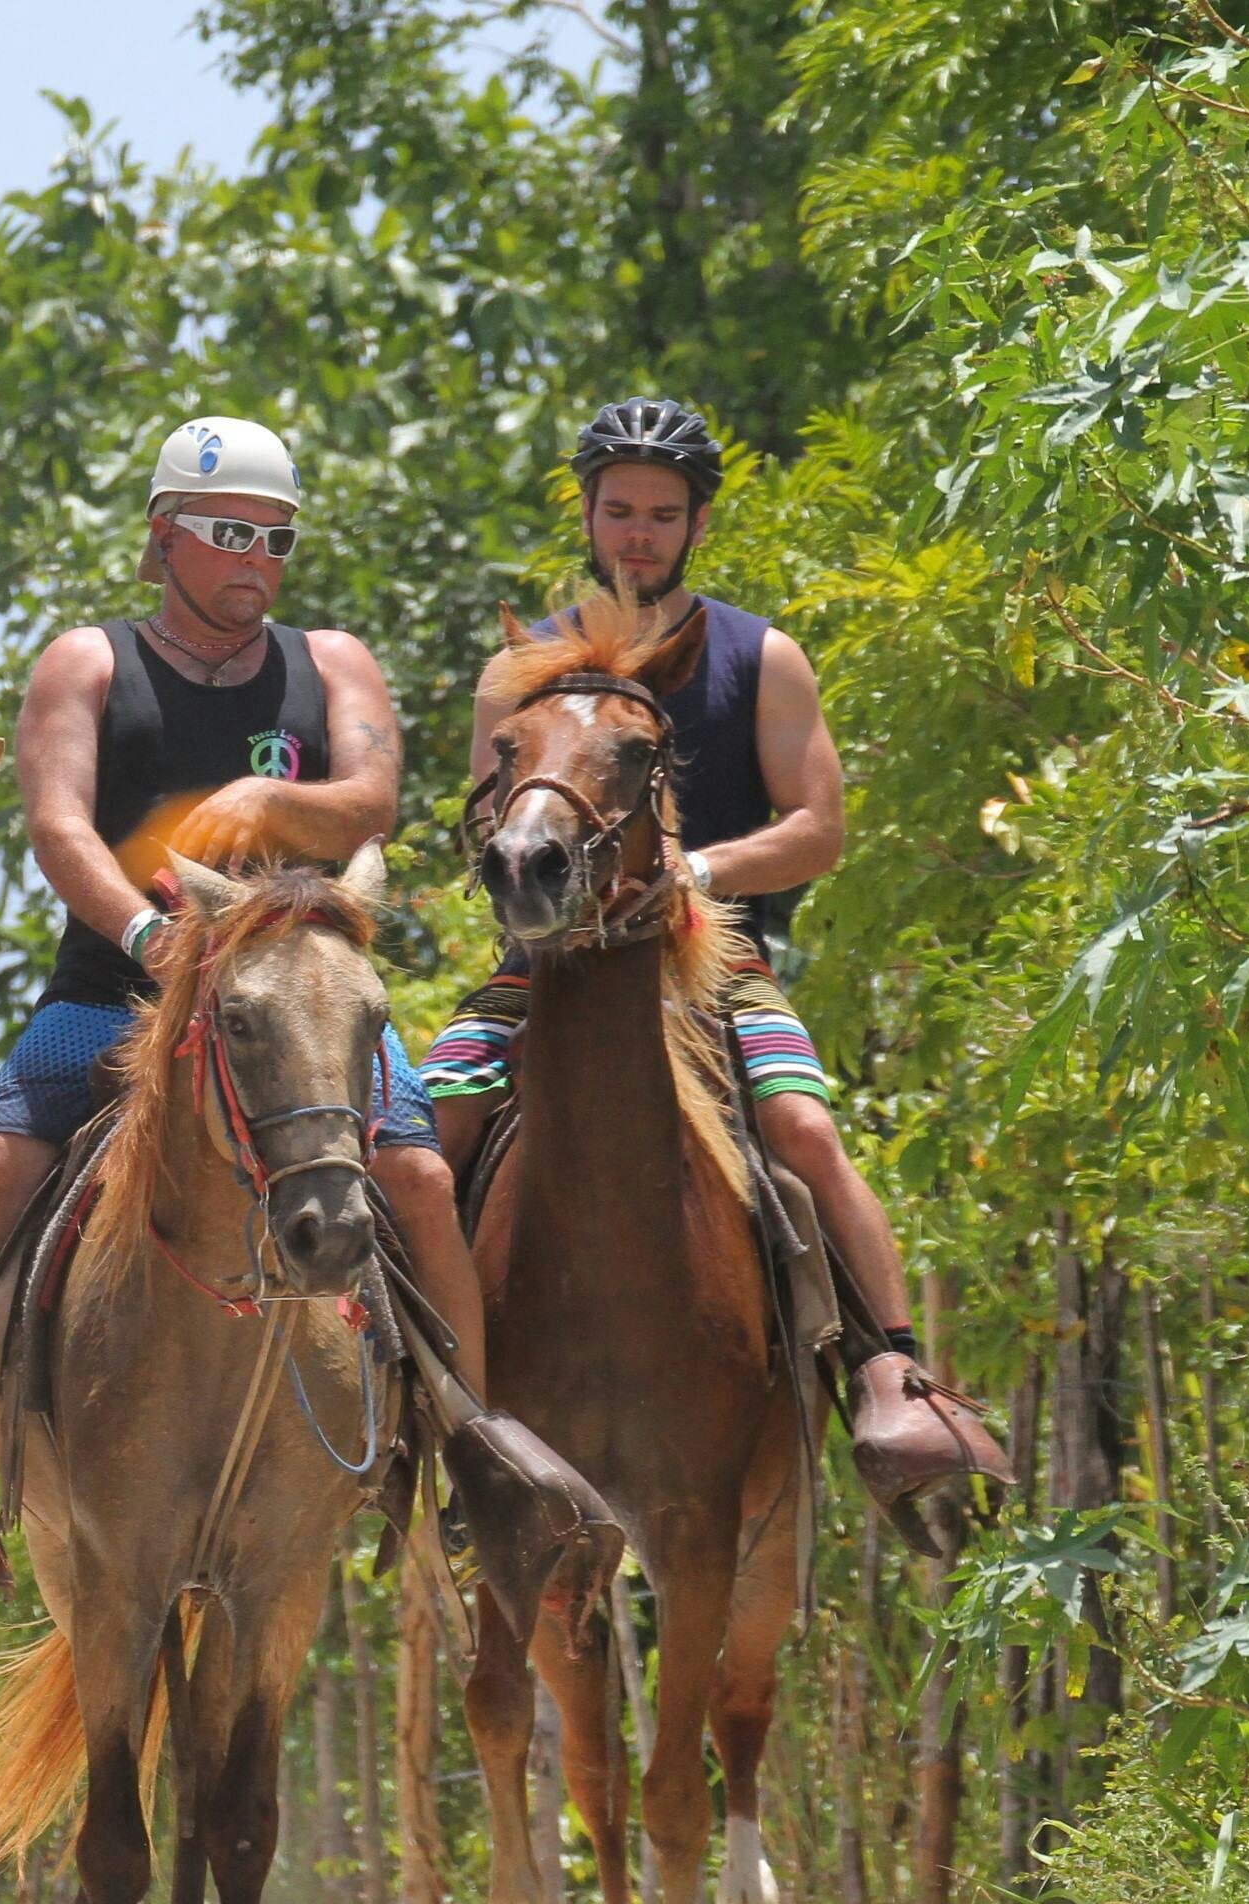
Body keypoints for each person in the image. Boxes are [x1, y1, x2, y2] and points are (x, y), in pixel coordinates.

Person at [422, 395, 1002, 1489]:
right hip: (544, 962)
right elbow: (493, 822)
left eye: (661, 513)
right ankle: (388, 1372)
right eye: (618, 511)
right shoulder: (522, 667)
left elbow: (818, 830)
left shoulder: (760, 655)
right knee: (422, 1126)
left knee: (802, 1129)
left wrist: (698, 871)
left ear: (696, 525)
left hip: (713, 955)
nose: (637, 533)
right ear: (586, 516)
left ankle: (897, 1378)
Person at [0, 418, 493, 1423]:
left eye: (278, 539)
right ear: (165, 534)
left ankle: (477, 1445)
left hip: (305, 999)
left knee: (421, 1179)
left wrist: (270, 805)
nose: (256, 561)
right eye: (232, 533)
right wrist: (148, 937)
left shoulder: (333, 661)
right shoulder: (87, 664)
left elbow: (374, 801)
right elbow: (58, 828)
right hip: (119, 992)